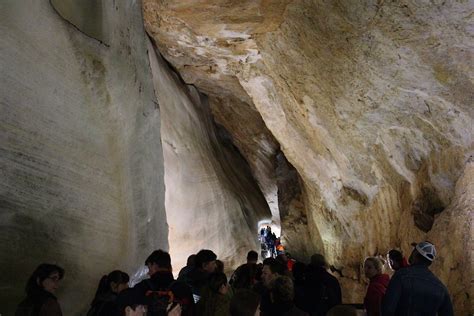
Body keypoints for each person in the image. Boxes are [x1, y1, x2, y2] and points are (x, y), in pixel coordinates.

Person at [381, 241, 454, 316]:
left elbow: (387, 309)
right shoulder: (441, 288)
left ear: (415, 254)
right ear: (429, 262)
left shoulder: (401, 276)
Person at [133, 249, 175, 315]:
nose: (148, 273)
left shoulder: (142, 287)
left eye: (149, 268)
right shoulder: (183, 288)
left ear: (154, 265)